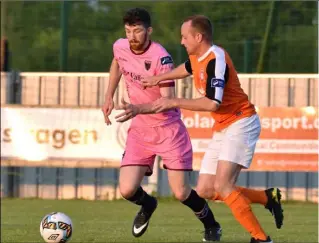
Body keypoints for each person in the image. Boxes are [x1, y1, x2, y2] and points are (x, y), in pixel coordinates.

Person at [117, 15, 284, 243]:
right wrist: (158, 78)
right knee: (205, 190)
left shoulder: (217, 59)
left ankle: (261, 239)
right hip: (223, 126)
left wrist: (174, 101)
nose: (182, 41)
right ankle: (267, 198)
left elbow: (211, 103)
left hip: (241, 122)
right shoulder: (196, 56)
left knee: (223, 186)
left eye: (185, 37)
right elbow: (186, 69)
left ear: (198, 36)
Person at [102, 9, 222, 241]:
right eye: (128, 31)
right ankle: (148, 204)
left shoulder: (161, 58)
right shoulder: (120, 46)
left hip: (169, 131)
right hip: (140, 130)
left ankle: (212, 225)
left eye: (137, 31)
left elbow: (167, 102)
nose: (132, 36)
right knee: (126, 190)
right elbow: (117, 62)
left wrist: (138, 109)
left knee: (181, 192)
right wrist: (109, 95)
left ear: (149, 31)